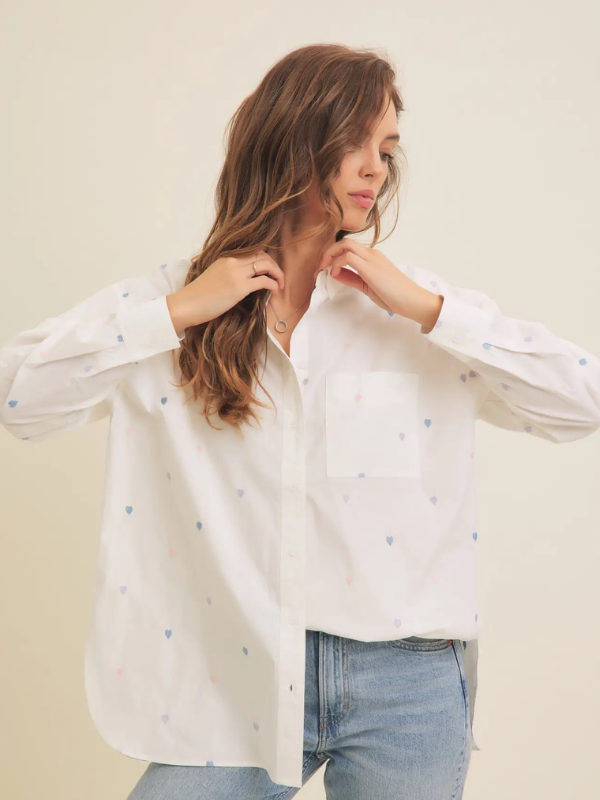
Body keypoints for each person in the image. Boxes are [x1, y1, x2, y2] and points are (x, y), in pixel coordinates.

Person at [1, 43, 599, 800]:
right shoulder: (174, 305)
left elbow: (581, 402)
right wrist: (175, 313)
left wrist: (426, 310)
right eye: (356, 143)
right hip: (238, 677)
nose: (376, 169)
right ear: (293, 137)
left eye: (387, 149)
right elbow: (18, 398)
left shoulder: (414, 311)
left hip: (408, 683)